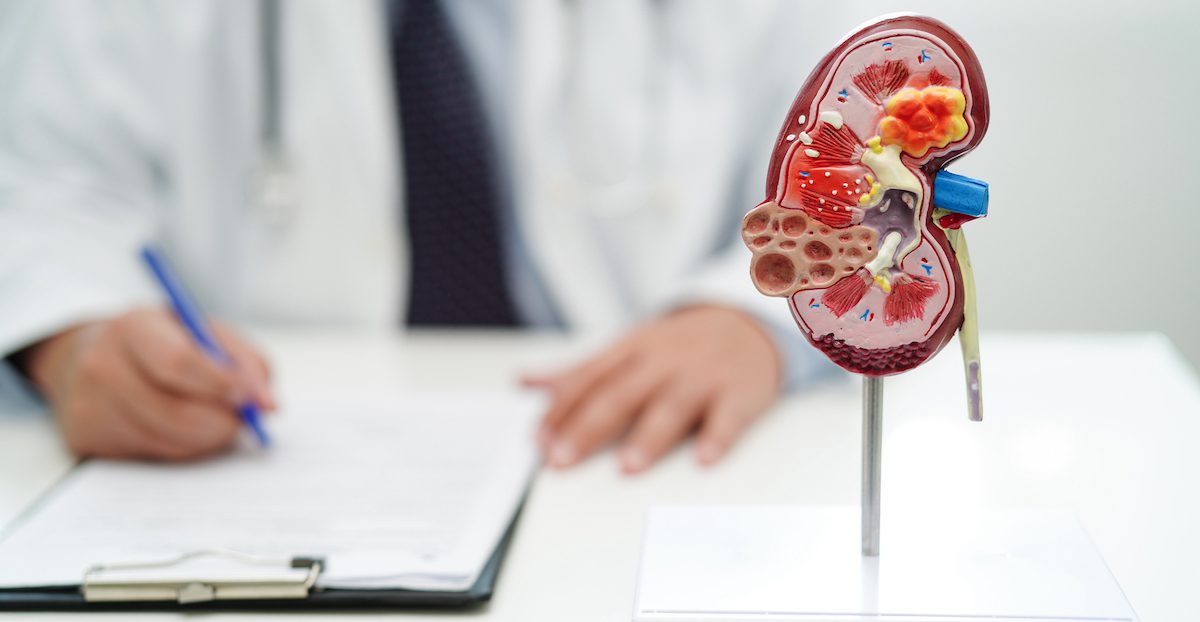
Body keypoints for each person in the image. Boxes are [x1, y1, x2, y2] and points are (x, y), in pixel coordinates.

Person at [0, 1, 834, 472]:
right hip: (269, 460)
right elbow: (42, 191)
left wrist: (750, 320)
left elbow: (872, 164)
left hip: (630, 463)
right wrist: (75, 339)